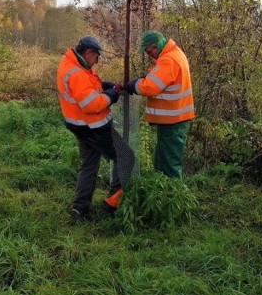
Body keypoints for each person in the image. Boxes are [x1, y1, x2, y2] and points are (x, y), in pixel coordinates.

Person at [56, 36, 135, 221]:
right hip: (93, 127)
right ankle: (113, 203)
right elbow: (91, 104)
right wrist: (111, 95)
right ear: (88, 52)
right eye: (96, 56)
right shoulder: (77, 73)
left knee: (89, 164)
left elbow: (86, 89)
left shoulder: (71, 64)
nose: (97, 60)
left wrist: (105, 87)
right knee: (125, 157)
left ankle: (79, 208)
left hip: (78, 125)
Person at [125, 30, 195, 177]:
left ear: (156, 45)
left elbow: (151, 86)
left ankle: (174, 197)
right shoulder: (173, 55)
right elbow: (159, 78)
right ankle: (163, 194)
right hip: (174, 119)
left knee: (169, 166)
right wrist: (144, 78)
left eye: (148, 50)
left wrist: (135, 85)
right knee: (161, 161)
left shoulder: (168, 59)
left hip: (173, 120)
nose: (148, 54)